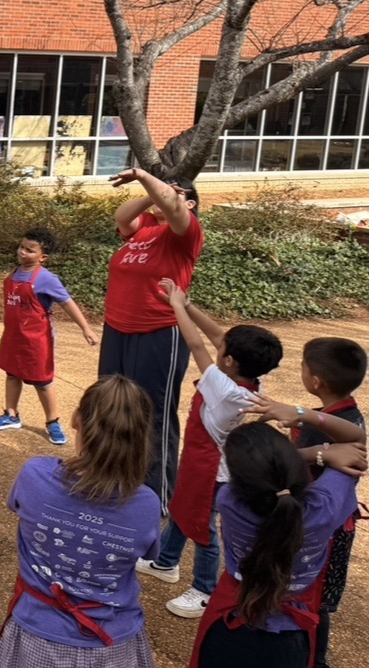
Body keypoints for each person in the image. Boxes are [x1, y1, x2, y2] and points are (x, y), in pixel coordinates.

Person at [135, 279, 283, 621]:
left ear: (228, 361)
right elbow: (218, 338)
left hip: (213, 469)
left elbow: (195, 344)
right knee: (182, 507)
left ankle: (203, 589)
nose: (219, 344)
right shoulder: (247, 378)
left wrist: (176, 308)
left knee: (203, 525)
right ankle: (165, 561)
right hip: (202, 459)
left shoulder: (224, 388)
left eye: (224, 350)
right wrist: (187, 304)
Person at [0, 376, 161, 668]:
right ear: (141, 436)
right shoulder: (146, 504)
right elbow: (149, 552)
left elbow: (16, 505)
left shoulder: (34, 475)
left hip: (37, 632)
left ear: (76, 419)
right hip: (113, 642)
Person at [189, 419, 366, 668]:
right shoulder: (325, 508)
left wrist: (311, 454)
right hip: (289, 638)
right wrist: (307, 428)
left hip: (229, 622)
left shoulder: (228, 501)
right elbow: (356, 441)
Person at [99, 168, 204, 510]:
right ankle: (111, 480)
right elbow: (121, 217)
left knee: (152, 414)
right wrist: (149, 193)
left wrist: (144, 176)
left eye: (175, 190)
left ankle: (156, 496)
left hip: (158, 331)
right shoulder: (144, 228)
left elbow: (173, 206)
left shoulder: (185, 232)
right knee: (110, 406)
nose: (165, 193)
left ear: (190, 203)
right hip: (117, 328)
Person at [288, 338, 366, 668]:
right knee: (318, 600)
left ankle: (315, 661)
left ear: (316, 381)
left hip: (321, 527)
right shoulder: (351, 417)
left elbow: (294, 465)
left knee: (313, 599)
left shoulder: (323, 431)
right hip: (338, 521)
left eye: (303, 367)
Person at [0, 227, 98, 444]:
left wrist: (86, 328)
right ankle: (11, 415)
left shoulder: (47, 279)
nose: (22, 252)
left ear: (43, 257)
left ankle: (52, 421)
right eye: (21, 247)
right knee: (12, 374)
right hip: (13, 336)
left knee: (43, 381)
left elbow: (67, 302)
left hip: (37, 340)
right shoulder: (14, 274)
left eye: (30, 250)